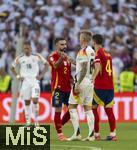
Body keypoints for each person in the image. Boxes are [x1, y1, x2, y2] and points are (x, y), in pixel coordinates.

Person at [11, 41, 48, 127]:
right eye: (25, 48)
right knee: (27, 102)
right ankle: (28, 122)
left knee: (35, 100)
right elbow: (12, 67)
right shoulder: (19, 58)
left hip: (35, 81)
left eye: (28, 48)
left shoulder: (36, 56)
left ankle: (36, 121)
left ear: (31, 48)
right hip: (25, 83)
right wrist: (18, 76)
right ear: (23, 49)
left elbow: (46, 64)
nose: (26, 49)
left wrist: (41, 75)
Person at [68, 30, 95, 141]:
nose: (79, 39)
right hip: (89, 82)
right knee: (88, 109)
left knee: (72, 107)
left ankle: (77, 133)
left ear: (83, 39)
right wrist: (73, 62)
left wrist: (77, 84)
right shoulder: (91, 51)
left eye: (80, 37)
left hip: (82, 81)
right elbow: (86, 66)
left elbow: (83, 68)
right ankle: (91, 135)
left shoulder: (83, 51)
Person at [48, 37, 75, 141]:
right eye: (62, 44)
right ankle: (60, 134)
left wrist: (73, 83)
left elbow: (68, 73)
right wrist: (61, 58)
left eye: (65, 44)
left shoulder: (67, 58)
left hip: (68, 88)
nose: (64, 46)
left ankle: (59, 124)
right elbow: (55, 66)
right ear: (56, 45)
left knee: (72, 109)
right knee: (58, 110)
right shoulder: (52, 56)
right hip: (57, 88)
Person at [91, 34, 117, 141]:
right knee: (109, 111)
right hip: (110, 86)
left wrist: (92, 78)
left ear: (94, 42)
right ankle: (113, 134)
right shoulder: (108, 53)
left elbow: (97, 68)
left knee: (93, 109)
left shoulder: (98, 53)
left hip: (100, 86)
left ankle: (96, 134)